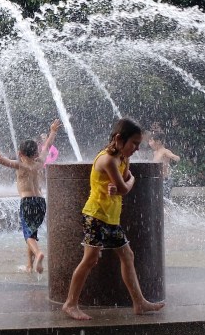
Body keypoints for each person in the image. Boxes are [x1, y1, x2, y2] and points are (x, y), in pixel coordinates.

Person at [62, 118, 166, 321]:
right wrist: (126, 183)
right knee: (90, 260)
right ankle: (70, 303)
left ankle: (139, 303)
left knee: (127, 255)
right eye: (134, 143)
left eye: (138, 143)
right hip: (95, 216)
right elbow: (126, 186)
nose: (136, 148)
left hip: (110, 217)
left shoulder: (123, 157)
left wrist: (120, 184)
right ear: (119, 138)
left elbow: (122, 181)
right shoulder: (108, 160)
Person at [0, 120, 61, 273]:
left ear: (20, 154)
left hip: (27, 202)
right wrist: (53, 131)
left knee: (27, 234)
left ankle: (39, 253)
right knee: (33, 232)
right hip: (41, 202)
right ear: (36, 153)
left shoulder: (19, 165)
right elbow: (47, 146)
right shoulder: (39, 162)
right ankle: (29, 266)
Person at [147, 133, 180, 200]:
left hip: (165, 180)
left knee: (163, 199)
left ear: (158, 142)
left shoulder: (165, 151)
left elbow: (176, 158)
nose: (149, 143)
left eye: (151, 141)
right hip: (158, 179)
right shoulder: (155, 152)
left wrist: (174, 158)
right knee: (157, 198)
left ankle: (168, 209)